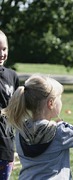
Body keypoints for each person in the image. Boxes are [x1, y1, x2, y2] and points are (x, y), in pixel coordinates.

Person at [2, 74, 73, 180]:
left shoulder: (20, 131)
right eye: (59, 98)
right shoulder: (60, 132)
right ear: (51, 103)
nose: (61, 102)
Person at [0, 30, 19, 180]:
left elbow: (18, 110)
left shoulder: (12, 76)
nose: (2, 53)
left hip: (6, 146)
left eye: (4, 49)